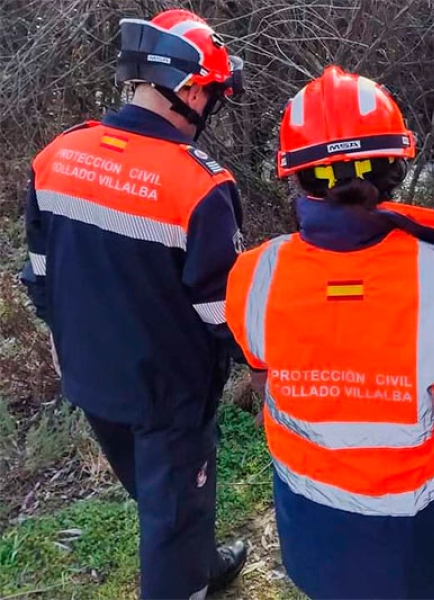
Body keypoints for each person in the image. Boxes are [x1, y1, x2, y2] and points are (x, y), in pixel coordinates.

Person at [225, 65, 434, 600]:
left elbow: (264, 379)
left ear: (296, 175)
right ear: (395, 167)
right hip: (420, 537)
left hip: (312, 524)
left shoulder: (255, 274)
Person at [21, 9, 248, 598]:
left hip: (90, 377)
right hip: (169, 394)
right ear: (191, 87)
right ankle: (185, 575)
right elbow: (223, 312)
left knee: (163, 497)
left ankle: (200, 562)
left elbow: (41, 276)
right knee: (171, 514)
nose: (211, 108)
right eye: (213, 94)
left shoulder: (59, 155)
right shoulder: (200, 186)